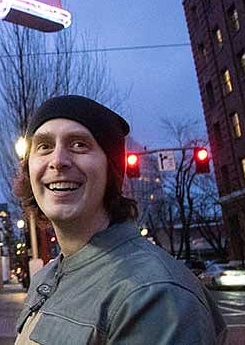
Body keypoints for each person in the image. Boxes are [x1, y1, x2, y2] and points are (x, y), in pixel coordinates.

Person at [13, 95, 226, 344]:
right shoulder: (46, 277)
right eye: (44, 146)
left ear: (111, 170)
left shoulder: (155, 294)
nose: (58, 160)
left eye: (79, 145)